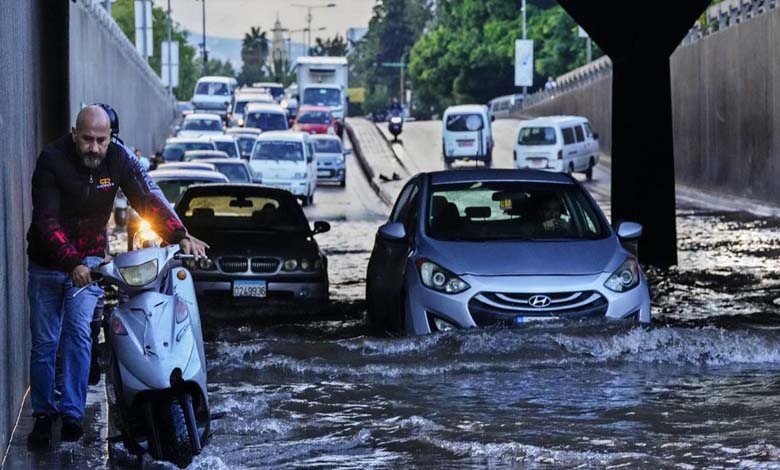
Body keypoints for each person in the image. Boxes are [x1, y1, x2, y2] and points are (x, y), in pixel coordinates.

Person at [25, 105, 208, 447]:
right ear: (75, 133)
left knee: (80, 333)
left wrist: (179, 234)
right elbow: (46, 222)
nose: (94, 147)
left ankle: (72, 415)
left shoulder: (118, 159)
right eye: (87, 139)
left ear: (111, 137)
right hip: (49, 264)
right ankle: (43, 414)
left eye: (101, 140)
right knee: (45, 343)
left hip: (91, 261)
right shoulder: (51, 160)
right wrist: (71, 263)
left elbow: (146, 197)